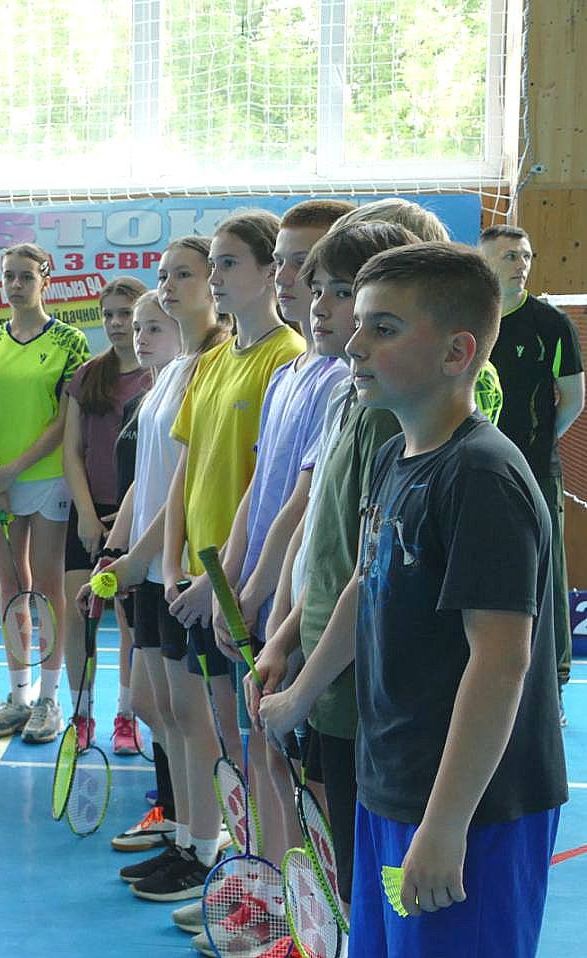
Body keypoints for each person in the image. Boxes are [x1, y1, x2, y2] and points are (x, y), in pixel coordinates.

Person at [262, 243, 566, 957]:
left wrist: (446, 823)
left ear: (458, 353)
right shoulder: (396, 455)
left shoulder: (482, 476)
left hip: (472, 808)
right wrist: (301, 694)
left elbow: (501, 662)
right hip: (391, 785)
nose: (355, 345)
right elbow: (365, 583)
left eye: (384, 329)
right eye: (359, 325)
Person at [247, 221, 422, 926]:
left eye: (342, 291)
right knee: (335, 858)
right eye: (317, 288)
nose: (321, 305)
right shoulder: (346, 400)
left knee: (358, 878)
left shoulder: (384, 419)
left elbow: (364, 576)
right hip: (320, 670)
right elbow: (323, 552)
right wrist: (284, 637)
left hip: (353, 686)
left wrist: (304, 686)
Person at [148, 211, 304, 903]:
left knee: (259, 750)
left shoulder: (286, 357)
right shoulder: (213, 361)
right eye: (211, 262)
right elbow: (187, 470)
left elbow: (269, 487)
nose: (214, 275)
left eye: (229, 262)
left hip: (248, 591)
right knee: (227, 740)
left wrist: (225, 582)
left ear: (271, 271)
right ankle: (243, 872)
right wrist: (173, 563)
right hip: (198, 581)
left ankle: (272, 891)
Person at [203, 200, 352, 867]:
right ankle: (268, 887)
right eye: (287, 263)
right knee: (262, 753)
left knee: (298, 774)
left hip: (293, 606)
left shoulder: (340, 379)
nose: (291, 278)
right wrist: (233, 583)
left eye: (307, 266)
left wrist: (265, 593)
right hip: (260, 603)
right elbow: (259, 487)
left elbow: (302, 504)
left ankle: (296, 903)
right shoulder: (289, 377)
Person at [101, 239, 232, 896]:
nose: (170, 284)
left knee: (191, 714)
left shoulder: (213, 365)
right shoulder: (175, 371)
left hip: (176, 567)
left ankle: (206, 847)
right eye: (163, 275)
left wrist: (148, 556)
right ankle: (184, 831)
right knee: (158, 705)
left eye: (184, 274)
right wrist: (119, 549)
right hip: (152, 567)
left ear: (213, 285)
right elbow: (147, 479)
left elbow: (184, 483)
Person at [0, 242, 91, 743]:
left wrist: (16, 470)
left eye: (25, 276)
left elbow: (65, 421)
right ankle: (19, 696)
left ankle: (49, 698)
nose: (15, 285)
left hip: (45, 479)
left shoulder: (70, 341)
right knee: (10, 588)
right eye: (8, 276)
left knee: (46, 587)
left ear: (46, 280)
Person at [479, 224, 583, 711]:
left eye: (526, 256)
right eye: (509, 257)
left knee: (546, 573)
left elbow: (573, 399)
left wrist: (537, 446)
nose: (521, 265)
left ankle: (553, 684)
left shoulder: (551, 324)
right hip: (473, 471)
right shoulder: (468, 319)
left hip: (536, 470)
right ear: (484, 262)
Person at [61, 277, 152, 752]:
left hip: (135, 515)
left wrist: (122, 521)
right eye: (109, 315)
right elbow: (72, 452)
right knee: (79, 617)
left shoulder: (157, 375)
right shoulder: (88, 376)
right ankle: (81, 714)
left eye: (126, 314)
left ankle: (126, 715)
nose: (117, 323)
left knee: (129, 622)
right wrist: (85, 513)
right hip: (89, 514)